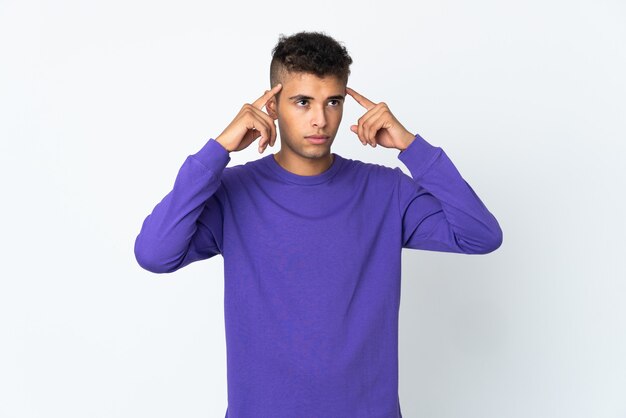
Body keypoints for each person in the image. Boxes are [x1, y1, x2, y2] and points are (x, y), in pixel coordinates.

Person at [134, 31, 503, 418]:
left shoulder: (385, 191)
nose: (320, 120)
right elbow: (155, 253)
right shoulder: (234, 192)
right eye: (302, 102)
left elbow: (481, 235)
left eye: (332, 102)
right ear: (272, 104)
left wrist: (412, 147)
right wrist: (217, 151)